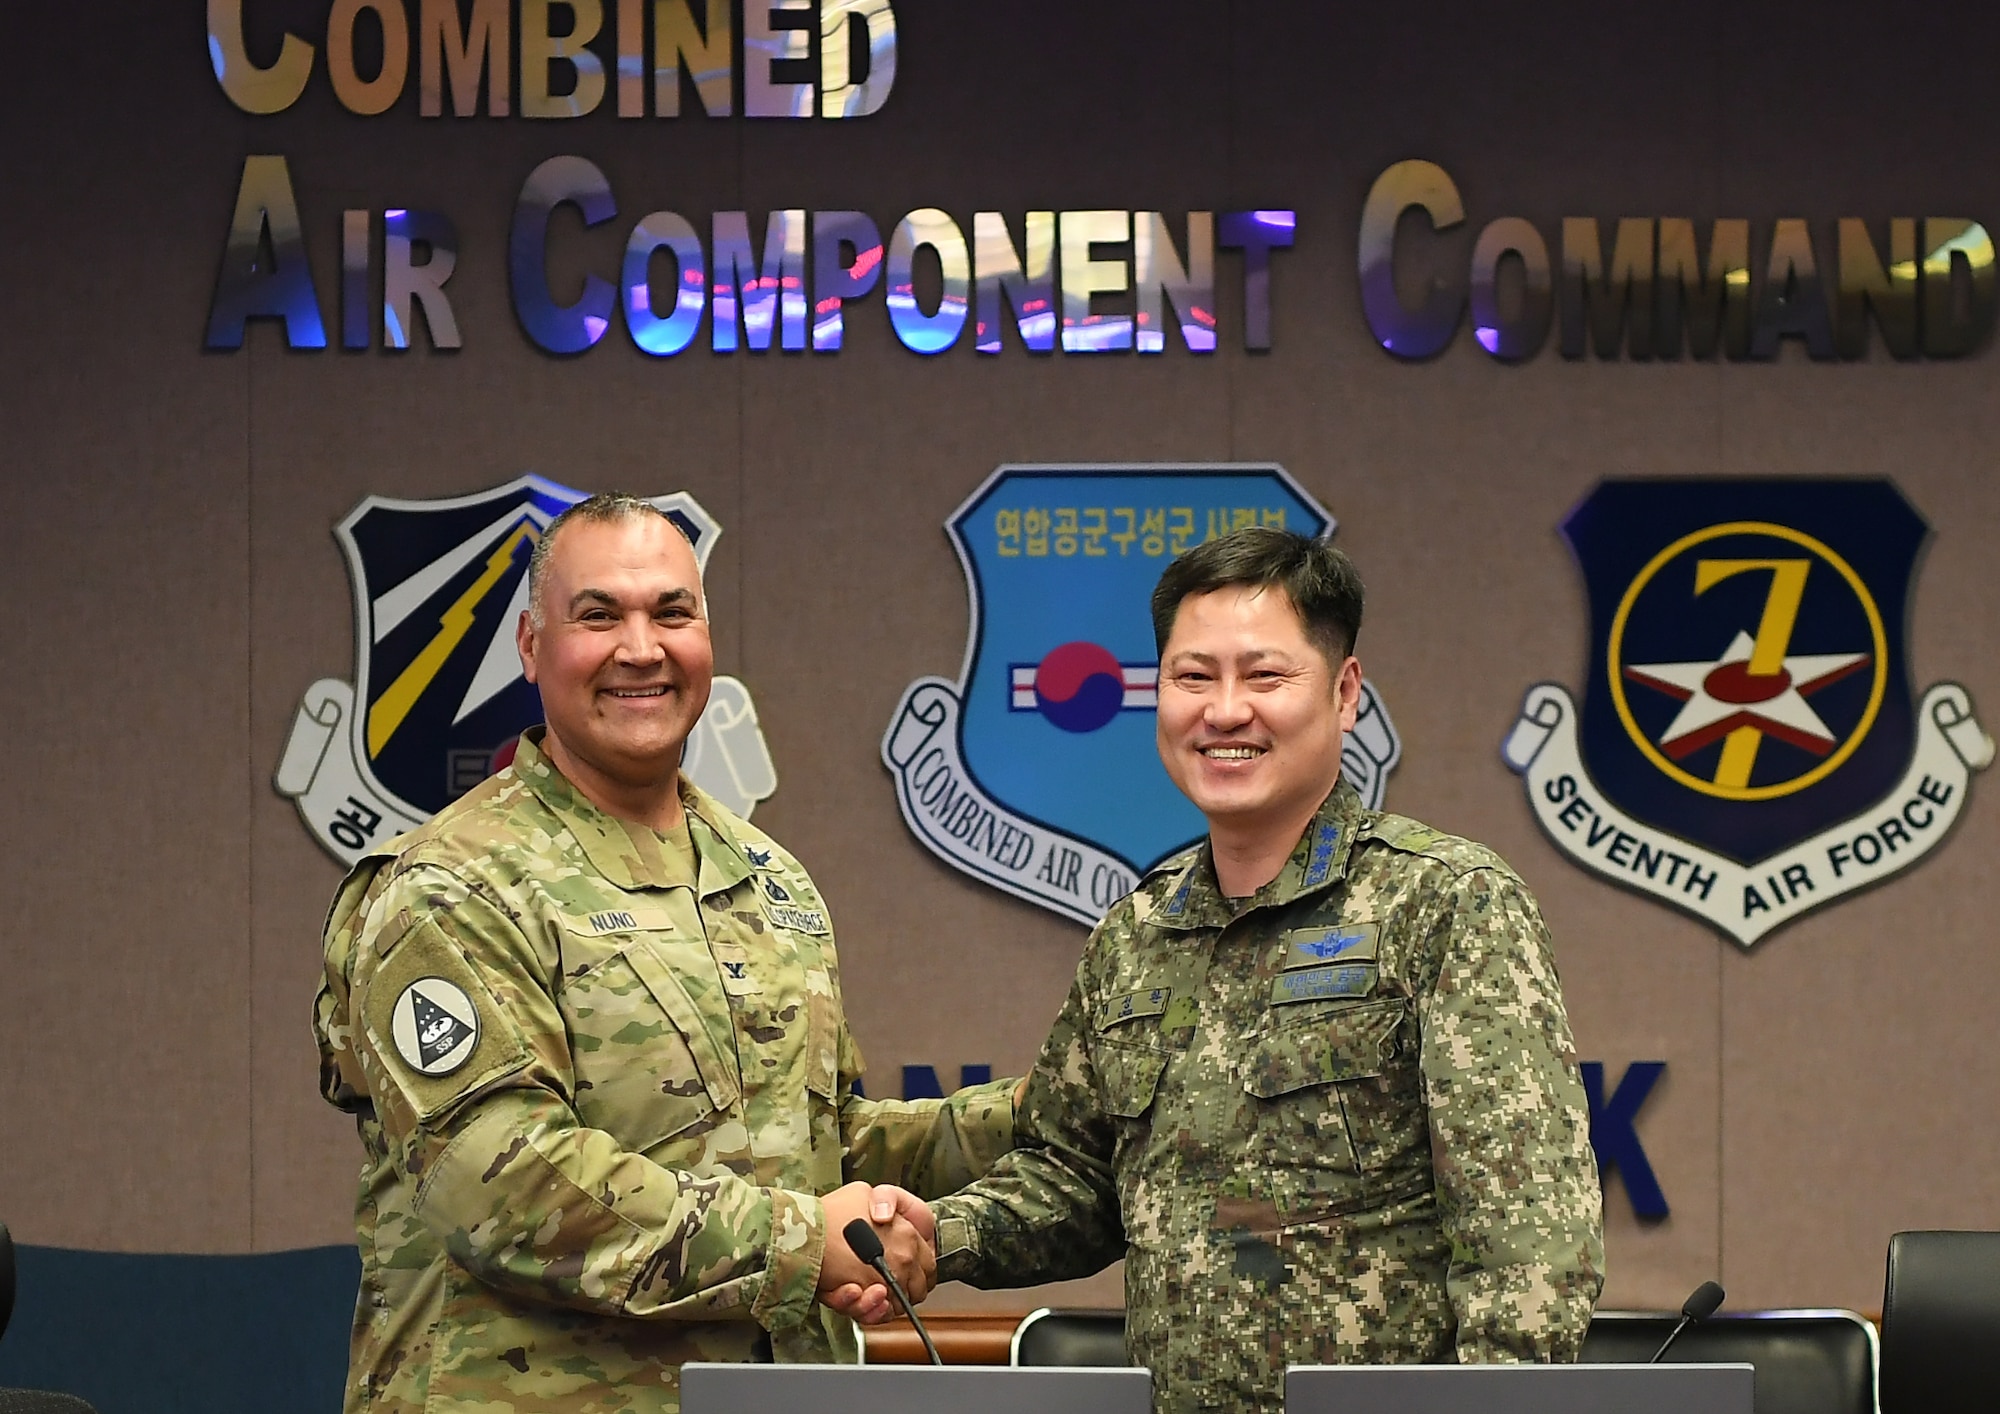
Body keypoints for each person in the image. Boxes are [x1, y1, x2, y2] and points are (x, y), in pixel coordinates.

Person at [314, 493, 1017, 1414]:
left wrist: (1035, 1113)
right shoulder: (449, 889)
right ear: (531, 648)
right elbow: (505, 1185)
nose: (640, 648)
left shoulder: (769, 879)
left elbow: (820, 1149)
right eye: (598, 615)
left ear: (708, 643)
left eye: (672, 613)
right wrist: (806, 1242)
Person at [927, 527, 1604, 1412]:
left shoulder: (1445, 904)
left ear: (1345, 691)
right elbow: (1079, 1180)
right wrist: (936, 1237)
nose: (1224, 711)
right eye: (1193, 677)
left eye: (1265, 676)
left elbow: (1527, 1239)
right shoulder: (1137, 930)